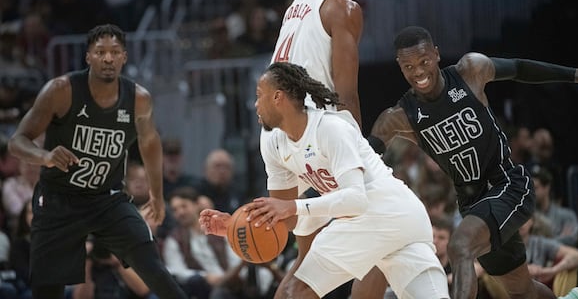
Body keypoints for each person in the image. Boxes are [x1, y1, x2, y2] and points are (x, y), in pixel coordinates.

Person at [357, 26, 578, 299]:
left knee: (460, 247)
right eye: (408, 66)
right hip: (472, 204)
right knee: (522, 291)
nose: (418, 72)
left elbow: (520, 68)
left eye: (424, 61)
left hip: (507, 185)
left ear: (436, 54)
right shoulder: (399, 117)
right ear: (400, 67)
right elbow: (359, 158)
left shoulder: (470, 70)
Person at [200, 62, 449, 299]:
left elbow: (355, 200)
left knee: (293, 294)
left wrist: (294, 206)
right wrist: (236, 226)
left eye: (258, 95)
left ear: (278, 97)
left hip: (384, 212)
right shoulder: (274, 143)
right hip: (392, 220)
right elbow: (286, 219)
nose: (255, 104)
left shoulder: (331, 129)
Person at [7, 24, 187, 299]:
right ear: (88, 56)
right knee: (47, 291)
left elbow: (150, 144)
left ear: (124, 57)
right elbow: (17, 141)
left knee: (152, 265)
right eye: (100, 51)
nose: (108, 58)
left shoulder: (138, 99)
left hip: (106, 198)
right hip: (59, 199)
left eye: (115, 52)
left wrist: (157, 195)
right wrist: (45, 157)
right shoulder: (61, 90)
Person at [263, 0, 370, 298]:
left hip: (276, 133)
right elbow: (346, 94)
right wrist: (361, 154)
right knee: (376, 234)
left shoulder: (297, 4)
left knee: (305, 262)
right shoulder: (343, 7)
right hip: (315, 129)